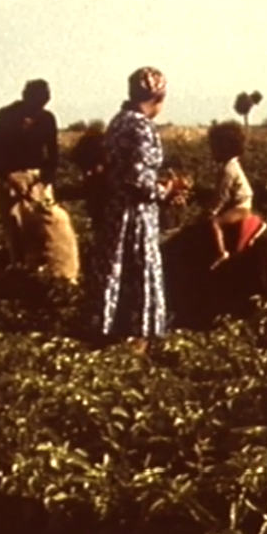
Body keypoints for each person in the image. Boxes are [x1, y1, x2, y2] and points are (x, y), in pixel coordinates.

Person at [92, 66, 180, 353]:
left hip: (116, 209)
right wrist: (165, 190)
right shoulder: (141, 127)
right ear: (157, 96)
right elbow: (140, 180)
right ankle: (138, 336)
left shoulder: (118, 122)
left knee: (117, 266)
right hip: (138, 212)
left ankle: (110, 329)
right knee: (141, 269)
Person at [0, 79, 59, 264]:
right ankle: (19, 271)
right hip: (12, 178)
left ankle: (44, 274)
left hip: (38, 180)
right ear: (26, 98)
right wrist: (9, 178)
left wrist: (45, 181)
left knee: (44, 229)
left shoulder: (47, 119)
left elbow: (53, 155)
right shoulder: (6, 116)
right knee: (16, 231)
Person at [204, 121, 256, 269]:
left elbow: (222, 194)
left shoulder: (228, 170)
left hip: (240, 207)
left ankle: (221, 252)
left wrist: (211, 211)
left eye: (215, 146)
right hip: (241, 204)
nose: (212, 150)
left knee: (214, 222)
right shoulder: (232, 165)